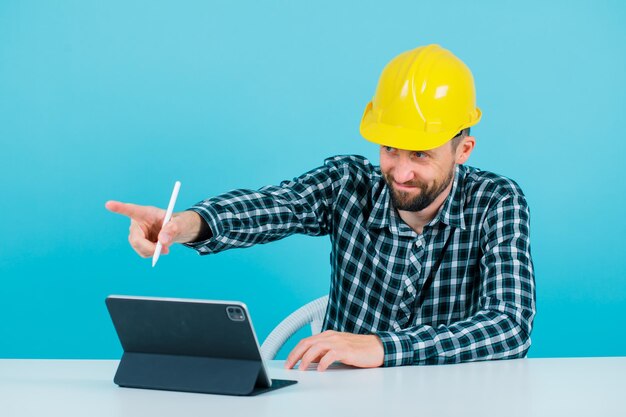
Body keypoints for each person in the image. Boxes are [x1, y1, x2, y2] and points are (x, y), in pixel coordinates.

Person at [106, 44, 536, 372]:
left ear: (463, 149)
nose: (400, 172)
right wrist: (184, 225)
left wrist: (383, 347)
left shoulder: (496, 201)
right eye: (390, 149)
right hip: (342, 398)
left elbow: (510, 326)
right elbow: (275, 205)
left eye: (420, 155)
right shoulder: (348, 184)